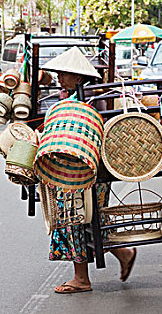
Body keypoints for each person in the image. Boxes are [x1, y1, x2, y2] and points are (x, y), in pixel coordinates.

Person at [40, 47, 137, 294]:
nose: (60, 78)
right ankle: (123, 254)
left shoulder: (89, 99)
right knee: (92, 216)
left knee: (73, 216)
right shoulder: (82, 96)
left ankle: (81, 278)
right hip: (89, 167)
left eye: (65, 74)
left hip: (84, 169)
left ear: (79, 78)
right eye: (59, 74)